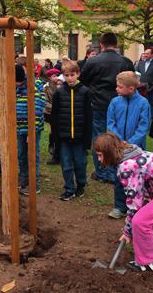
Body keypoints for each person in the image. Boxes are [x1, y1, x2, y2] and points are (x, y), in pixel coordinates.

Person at [93, 133, 153, 272]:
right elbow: (142, 193)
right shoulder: (132, 153)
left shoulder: (127, 166)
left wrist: (127, 232)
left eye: (100, 155)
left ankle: (150, 261)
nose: (98, 159)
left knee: (140, 222)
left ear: (109, 152)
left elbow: (134, 204)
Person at [79, 32, 135, 183]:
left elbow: (83, 81)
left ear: (101, 45)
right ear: (116, 45)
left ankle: (103, 173)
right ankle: (114, 171)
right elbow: (133, 81)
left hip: (99, 104)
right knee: (117, 137)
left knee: (99, 138)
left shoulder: (93, 62)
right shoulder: (126, 62)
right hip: (120, 105)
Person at [106, 71, 151, 218]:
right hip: (118, 148)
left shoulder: (143, 103)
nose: (117, 89)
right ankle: (119, 206)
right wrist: (119, 141)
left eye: (120, 87)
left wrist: (131, 142)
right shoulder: (114, 102)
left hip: (136, 149)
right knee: (119, 176)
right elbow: (110, 122)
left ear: (131, 88)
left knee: (137, 178)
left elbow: (144, 125)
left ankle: (137, 208)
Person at [51, 61, 92, 201]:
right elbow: (54, 116)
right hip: (64, 137)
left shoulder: (85, 92)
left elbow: (89, 117)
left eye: (72, 75)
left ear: (78, 74)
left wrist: (87, 139)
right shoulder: (59, 92)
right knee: (66, 164)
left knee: (80, 163)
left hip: (80, 137)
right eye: (66, 75)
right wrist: (56, 137)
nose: (69, 78)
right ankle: (69, 188)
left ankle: (81, 184)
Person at [16, 65, 45, 195]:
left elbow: (38, 109)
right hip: (19, 128)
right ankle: (24, 181)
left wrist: (31, 130)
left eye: (18, 83)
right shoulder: (14, 86)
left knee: (32, 155)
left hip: (32, 128)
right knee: (21, 155)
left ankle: (35, 184)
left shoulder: (35, 85)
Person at [43, 68, 62, 165]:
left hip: (60, 113)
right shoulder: (46, 87)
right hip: (50, 113)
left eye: (57, 75)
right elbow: (45, 101)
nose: (56, 78)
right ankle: (53, 148)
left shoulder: (61, 85)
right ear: (50, 77)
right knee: (54, 131)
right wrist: (54, 108)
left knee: (58, 133)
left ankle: (58, 153)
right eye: (54, 76)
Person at [135, 48, 153, 115]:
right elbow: (137, 74)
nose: (145, 55)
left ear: (152, 55)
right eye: (144, 53)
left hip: (152, 89)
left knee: (151, 105)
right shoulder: (140, 63)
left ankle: (150, 118)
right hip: (141, 89)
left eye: (147, 54)